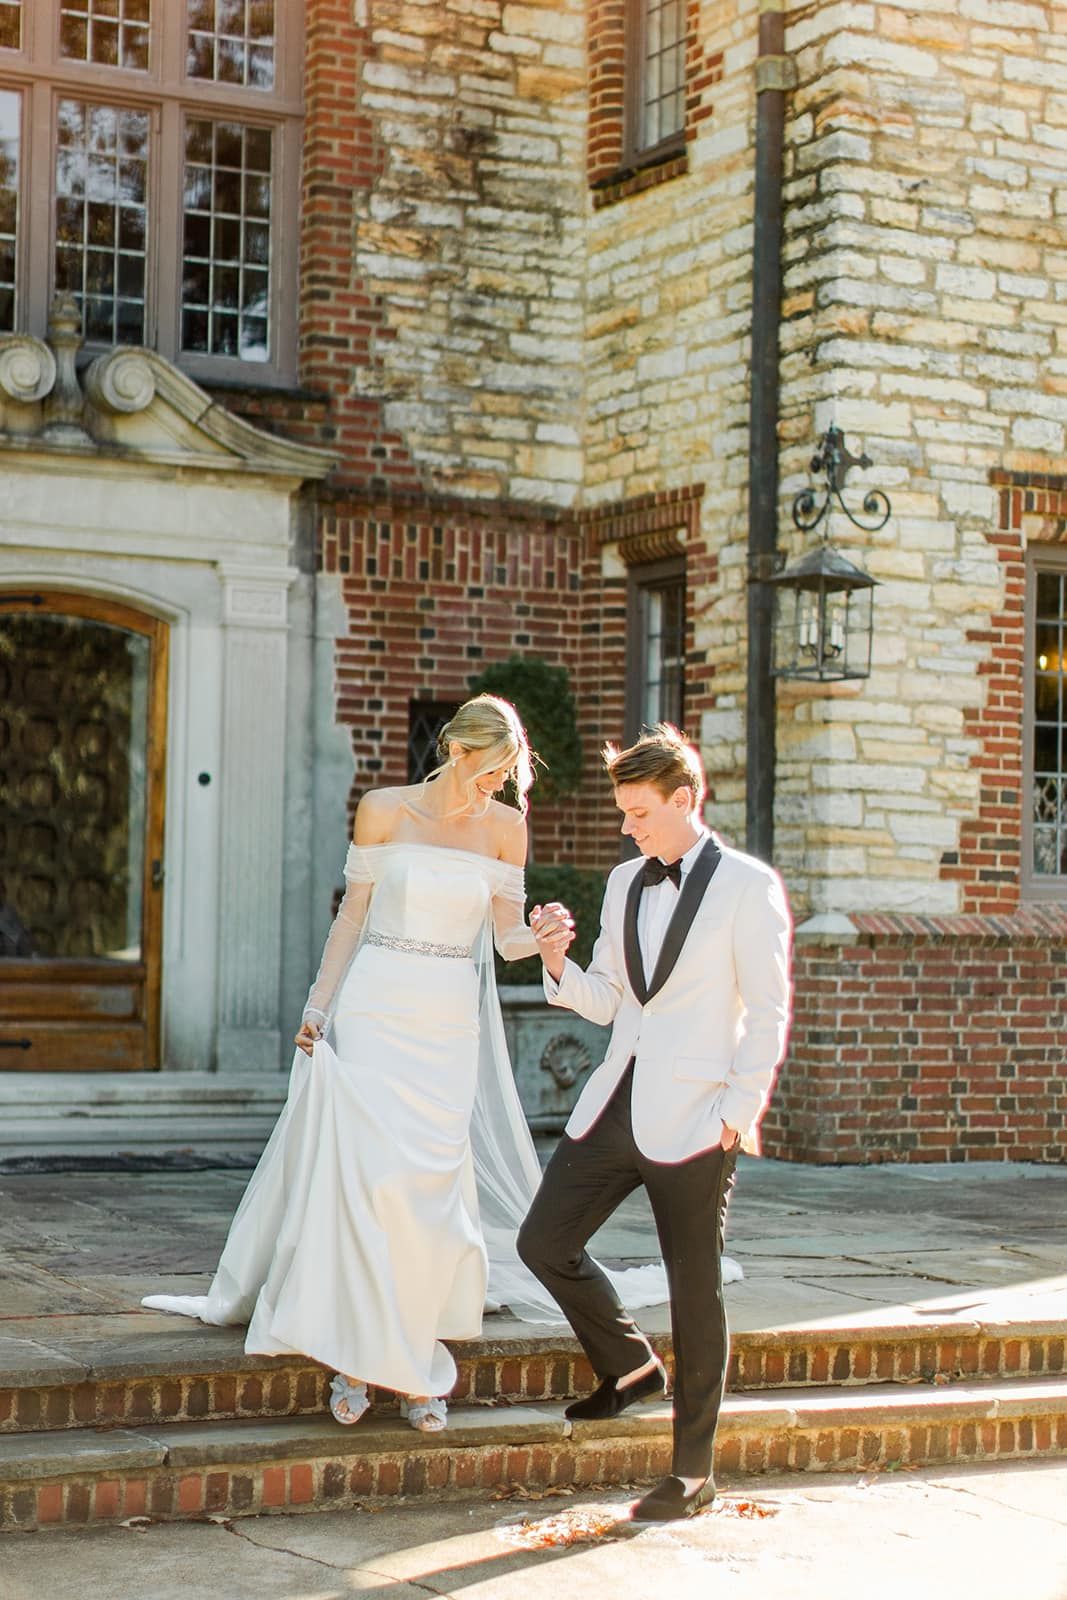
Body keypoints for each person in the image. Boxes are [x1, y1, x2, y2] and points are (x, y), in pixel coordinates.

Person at [144, 695, 581, 1432]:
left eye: (509, 774)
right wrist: (318, 1007)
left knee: (429, 1193)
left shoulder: (507, 828)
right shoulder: (384, 809)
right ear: (459, 751)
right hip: (375, 1007)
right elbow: (352, 915)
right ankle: (358, 1361)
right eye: (492, 770)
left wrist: (545, 936)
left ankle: (411, 1361)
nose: (498, 786)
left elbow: (503, 942)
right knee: (371, 1186)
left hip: (447, 1022)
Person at [520, 723, 792, 1520]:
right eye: (624, 814)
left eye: (639, 813)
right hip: (616, 1102)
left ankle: (693, 1474)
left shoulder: (747, 886)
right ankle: (629, 1367)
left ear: (684, 800)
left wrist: (737, 1113)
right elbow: (609, 999)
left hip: (700, 1115)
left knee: (693, 1291)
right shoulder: (623, 883)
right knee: (543, 1242)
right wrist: (555, 960)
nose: (627, 827)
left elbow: (769, 1012)